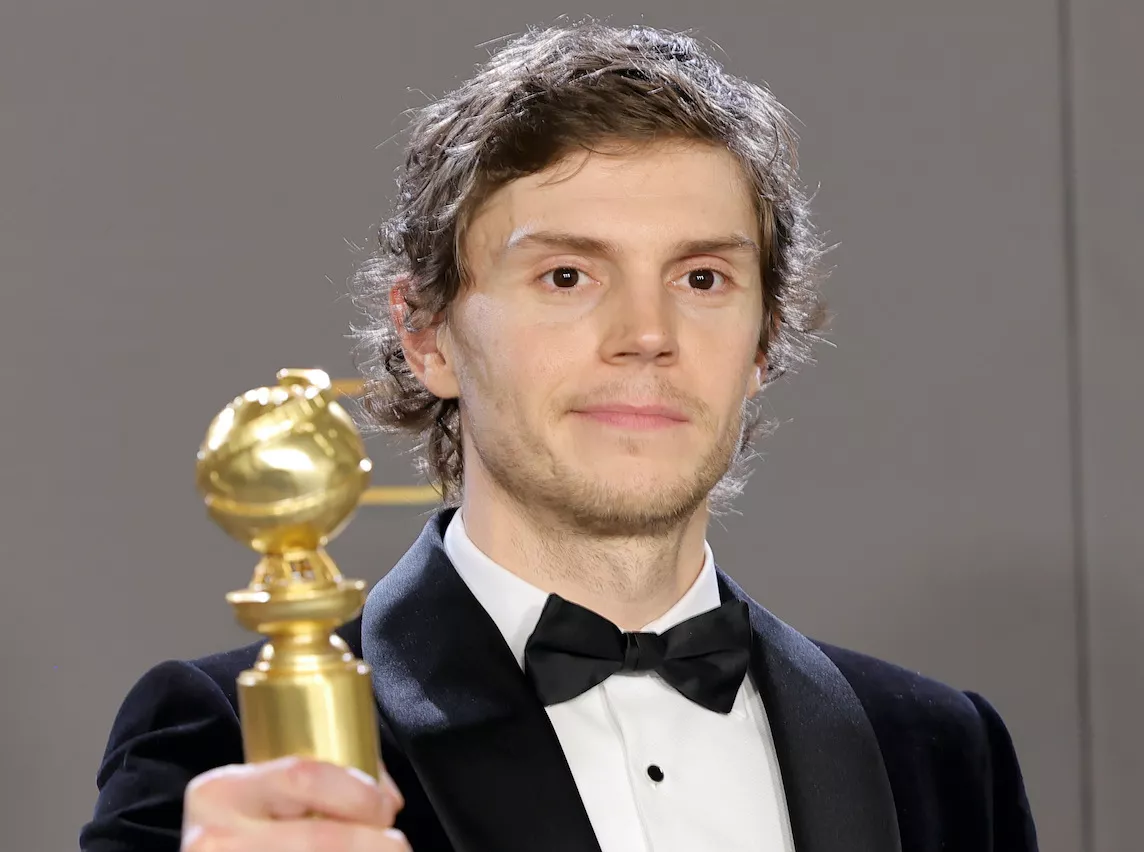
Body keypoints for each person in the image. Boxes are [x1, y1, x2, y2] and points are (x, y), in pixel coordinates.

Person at [80, 21, 1038, 852]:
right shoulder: (236, 741)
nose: (648, 336)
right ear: (428, 338)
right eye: (568, 277)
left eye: (702, 279)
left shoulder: (941, 751)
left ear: (762, 341)